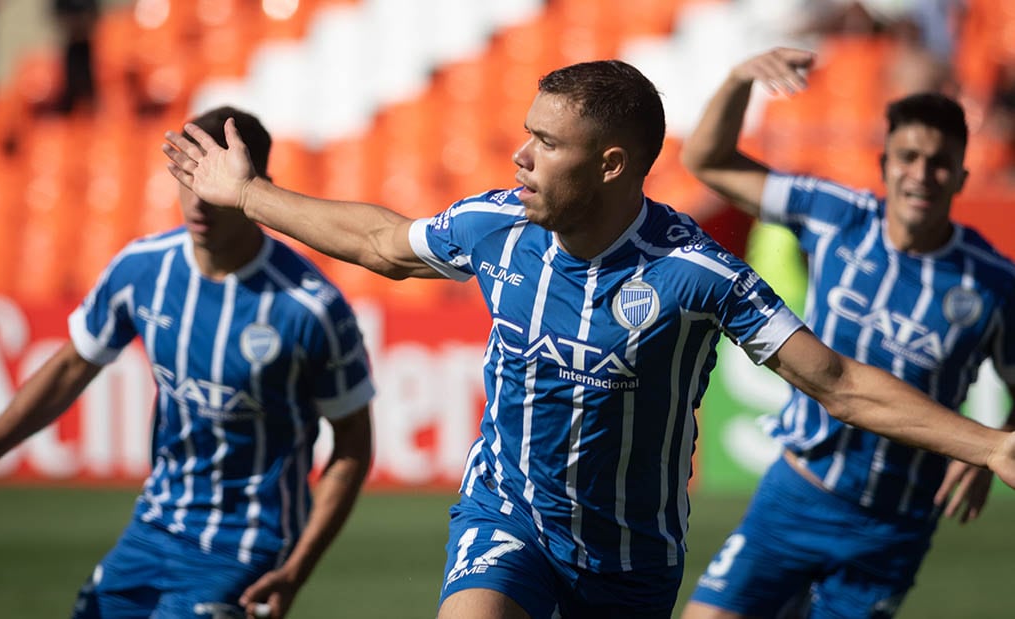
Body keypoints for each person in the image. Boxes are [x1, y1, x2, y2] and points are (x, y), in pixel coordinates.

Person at [161, 61, 1015, 619]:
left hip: (631, 561)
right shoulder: (498, 226)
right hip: (509, 518)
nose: (520, 155)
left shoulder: (698, 274)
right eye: (526, 133)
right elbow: (382, 243)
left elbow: (838, 382)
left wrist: (989, 443)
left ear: (610, 163)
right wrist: (249, 194)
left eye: (545, 141)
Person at [0, 106, 376, 619]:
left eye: (217, 178)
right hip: (152, 529)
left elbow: (354, 444)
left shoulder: (310, 306)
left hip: (248, 547)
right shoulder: (142, 270)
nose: (199, 196)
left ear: (258, 186)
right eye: (188, 175)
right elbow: (70, 368)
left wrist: (297, 568)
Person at [679, 47, 1015, 618]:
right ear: (885, 162)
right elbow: (708, 161)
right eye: (908, 156)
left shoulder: (992, 283)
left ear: (961, 173)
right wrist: (739, 79)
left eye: (939, 162)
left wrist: (993, 446)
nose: (922, 174)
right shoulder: (836, 214)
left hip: (893, 526)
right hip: (796, 495)